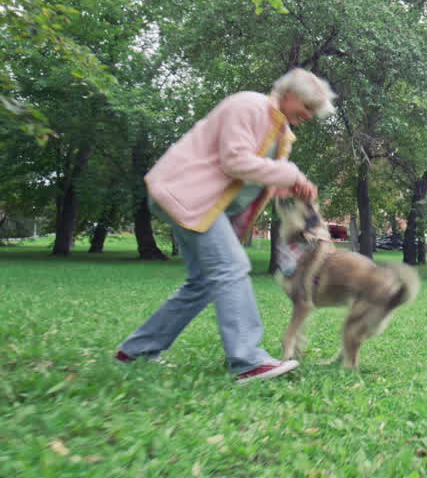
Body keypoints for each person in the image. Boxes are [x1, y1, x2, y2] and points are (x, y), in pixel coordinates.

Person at [115, 68, 336, 384]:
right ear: (289, 96)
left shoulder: (279, 131)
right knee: (232, 268)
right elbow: (235, 161)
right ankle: (248, 361)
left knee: (203, 282)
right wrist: (291, 175)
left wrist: (286, 185)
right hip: (187, 195)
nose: (310, 116)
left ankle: (136, 351)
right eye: (308, 108)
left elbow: (252, 179)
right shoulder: (248, 105)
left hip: (201, 204)